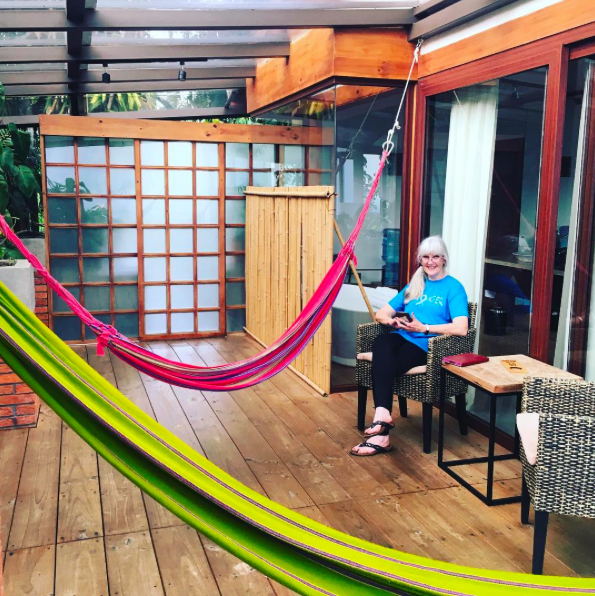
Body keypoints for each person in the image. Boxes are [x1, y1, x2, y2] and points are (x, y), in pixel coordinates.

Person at [351, 235, 469, 456]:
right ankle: (382, 416)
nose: (430, 262)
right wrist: (393, 322)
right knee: (381, 341)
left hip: (428, 346)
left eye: (435, 257)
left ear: (444, 259)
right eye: (425, 257)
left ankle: (381, 434)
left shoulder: (454, 288)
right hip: (403, 336)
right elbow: (381, 313)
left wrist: (425, 328)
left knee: (383, 363)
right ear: (420, 260)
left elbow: (462, 327)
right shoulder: (415, 284)